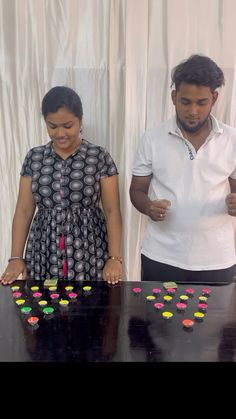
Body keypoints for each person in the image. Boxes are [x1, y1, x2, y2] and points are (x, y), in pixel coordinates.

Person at [130, 54, 236, 283]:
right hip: (161, 256)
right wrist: (148, 206)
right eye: (186, 102)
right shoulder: (152, 138)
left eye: (202, 102)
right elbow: (136, 190)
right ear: (174, 96)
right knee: (156, 319)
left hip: (217, 258)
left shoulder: (232, 139)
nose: (193, 111)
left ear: (214, 98)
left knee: (216, 320)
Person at [1, 86, 122, 285]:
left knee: (89, 310)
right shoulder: (35, 157)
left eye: (67, 125)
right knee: (43, 309)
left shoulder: (99, 156)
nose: (60, 133)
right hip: (44, 251)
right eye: (52, 126)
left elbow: (112, 211)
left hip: (89, 252)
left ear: (80, 120)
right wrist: (16, 258)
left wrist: (114, 258)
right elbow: (23, 211)